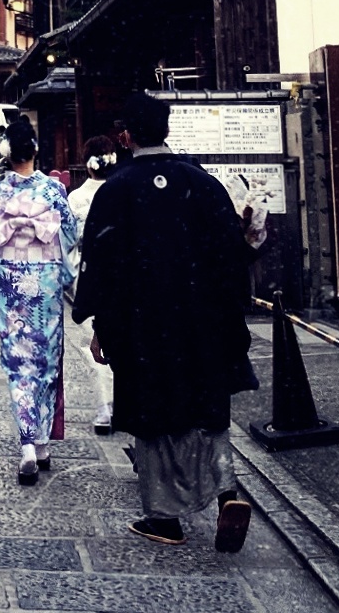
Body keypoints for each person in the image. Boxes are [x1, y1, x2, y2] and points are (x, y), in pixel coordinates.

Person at [72, 91, 257, 551]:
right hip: (202, 319)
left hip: (143, 323)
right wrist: (229, 311)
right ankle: (227, 493)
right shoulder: (202, 183)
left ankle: (164, 518)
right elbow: (231, 256)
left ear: (126, 137)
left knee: (153, 416)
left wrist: (100, 324)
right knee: (206, 408)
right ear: (168, 130)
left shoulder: (117, 190)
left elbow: (101, 263)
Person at [0, 122, 78, 484]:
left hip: (12, 285)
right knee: (46, 360)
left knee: (18, 361)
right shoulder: (53, 190)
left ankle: (27, 444)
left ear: (7, 154)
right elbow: (68, 234)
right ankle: (41, 443)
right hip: (46, 285)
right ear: (35, 150)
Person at [66, 135, 119, 434]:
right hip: (123, 275)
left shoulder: (76, 198)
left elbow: (68, 243)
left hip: (87, 275)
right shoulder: (125, 190)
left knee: (94, 342)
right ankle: (123, 402)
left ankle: (105, 409)